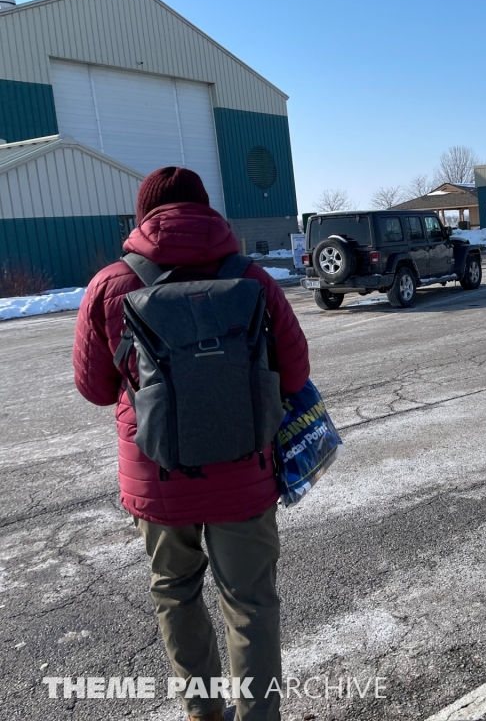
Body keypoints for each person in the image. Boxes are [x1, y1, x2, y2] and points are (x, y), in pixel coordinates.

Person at [73, 167, 310, 721]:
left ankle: (204, 713)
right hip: (243, 473)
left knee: (176, 593)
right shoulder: (252, 278)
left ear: (144, 217)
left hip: (157, 475)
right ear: (206, 211)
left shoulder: (113, 284)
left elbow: (94, 388)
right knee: (250, 602)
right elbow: (295, 376)